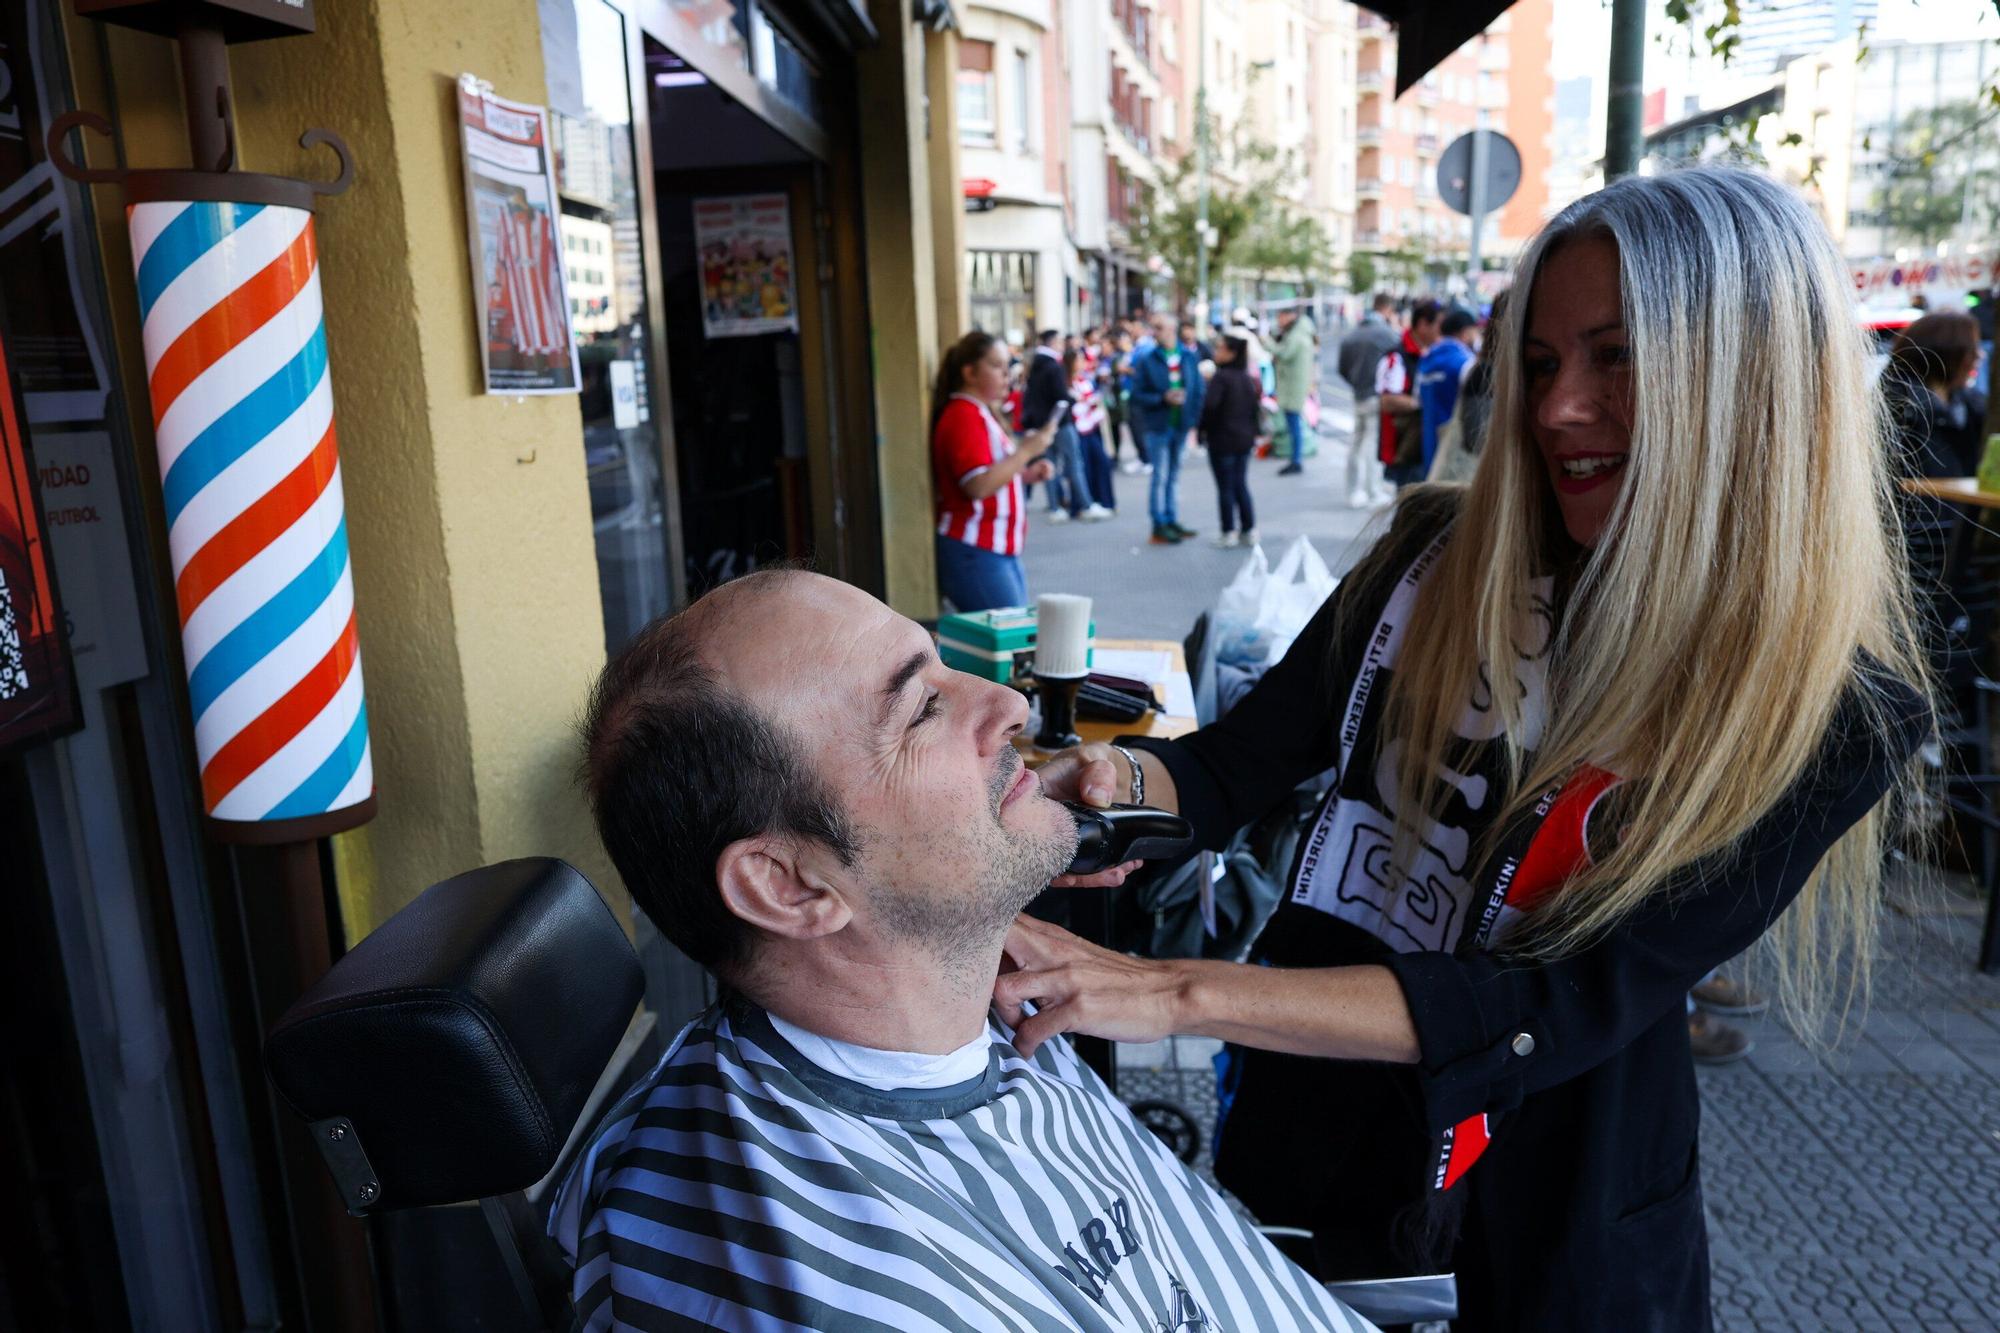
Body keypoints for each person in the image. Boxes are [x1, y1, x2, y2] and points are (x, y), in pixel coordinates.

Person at [997, 167, 1932, 1330]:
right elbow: (1227, 769)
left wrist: (1169, 991)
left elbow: (1554, 996)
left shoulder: (1830, 710)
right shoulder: (1432, 559)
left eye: (1615, 356)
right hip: (1313, 1144)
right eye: (1537, 363)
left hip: (1558, 1222)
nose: (1555, 408)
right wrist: (1105, 785)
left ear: (1750, 384)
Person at [552, 571, 1380, 1333]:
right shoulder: (855, 1295)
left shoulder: (963, 998)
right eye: (920, 709)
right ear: (790, 886)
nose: (1008, 703)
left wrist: (983, 887)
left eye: (944, 669)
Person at [930, 331, 1057, 611]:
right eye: (997, 365)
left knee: (1015, 630)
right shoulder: (963, 414)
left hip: (991, 549)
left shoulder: (977, 412)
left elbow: (990, 473)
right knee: (1010, 633)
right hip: (975, 549)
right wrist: (1026, 452)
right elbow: (977, 485)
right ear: (970, 373)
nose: (1007, 374)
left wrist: (1026, 473)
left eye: (1007, 365)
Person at [1130, 312, 1207, 545]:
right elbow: (1137, 395)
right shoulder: (1148, 359)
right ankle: (1159, 523)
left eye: (1159, 327)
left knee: (1173, 475)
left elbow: (1198, 389)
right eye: (1154, 327)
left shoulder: (1188, 356)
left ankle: (1171, 519)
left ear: (1172, 329)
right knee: (1160, 476)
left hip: (1180, 424)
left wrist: (1193, 419)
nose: (1155, 332)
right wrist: (1162, 398)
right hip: (1158, 425)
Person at [1427, 292, 1508, 485]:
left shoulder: (1430, 357)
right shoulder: (1478, 370)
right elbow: (1475, 439)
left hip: (1434, 447)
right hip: (1472, 482)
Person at [1337, 294, 1402, 506]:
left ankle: (1352, 491)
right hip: (1377, 396)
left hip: (1358, 394)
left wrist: (1356, 383)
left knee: (1356, 443)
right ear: (1387, 308)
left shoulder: (1353, 333)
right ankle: (1373, 491)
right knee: (1373, 444)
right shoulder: (1387, 334)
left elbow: (1342, 368)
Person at [1200, 333, 1262, 548]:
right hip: (1243, 439)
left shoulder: (1221, 378)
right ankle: (1248, 528)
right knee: (1240, 484)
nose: (1216, 352)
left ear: (1231, 353)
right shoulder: (1245, 377)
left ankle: (1228, 531)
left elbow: (1210, 407)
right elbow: (1254, 411)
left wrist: (1203, 430)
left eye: (1220, 348)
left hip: (1222, 440)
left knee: (1226, 487)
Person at [1023, 329, 1088, 523]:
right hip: (1059, 422)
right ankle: (1085, 505)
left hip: (1043, 423)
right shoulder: (1053, 366)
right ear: (1052, 343)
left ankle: (1055, 507)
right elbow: (1060, 396)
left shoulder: (1037, 365)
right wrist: (1073, 399)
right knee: (1073, 463)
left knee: (1050, 465)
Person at [1377, 299, 1441, 487]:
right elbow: (1387, 401)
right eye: (1438, 324)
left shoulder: (1429, 353)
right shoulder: (1397, 356)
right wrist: (1424, 402)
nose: (1441, 330)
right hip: (1407, 451)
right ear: (1423, 325)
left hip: (1423, 447)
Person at [1415, 307, 1479, 477]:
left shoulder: (1425, 360)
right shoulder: (1466, 362)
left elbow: (1418, 399)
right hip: (1455, 448)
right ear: (1465, 332)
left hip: (1429, 442)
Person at [1067, 344, 1116, 519]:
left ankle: (1104, 501)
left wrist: (1091, 404)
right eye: (1079, 360)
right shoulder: (1068, 383)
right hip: (1079, 431)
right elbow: (1075, 408)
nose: (1082, 363)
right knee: (1083, 468)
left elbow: (1089, 402)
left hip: (1091, 428)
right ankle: (1082, 504)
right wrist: (1087, 404)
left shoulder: (1085, 380)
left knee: (1102, 463)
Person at [1272, 305, 1320, 476]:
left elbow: (1285, 354)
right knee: (1294, 423)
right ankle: (1295, 459)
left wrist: (1267, 343)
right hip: (1294, 386)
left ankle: (1296, 460)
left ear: (1289, 316)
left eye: (1280, 317)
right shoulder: (1298, 332)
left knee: (1294, 424)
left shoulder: (1297, 335)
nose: (1278, 321)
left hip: (1293, 387)